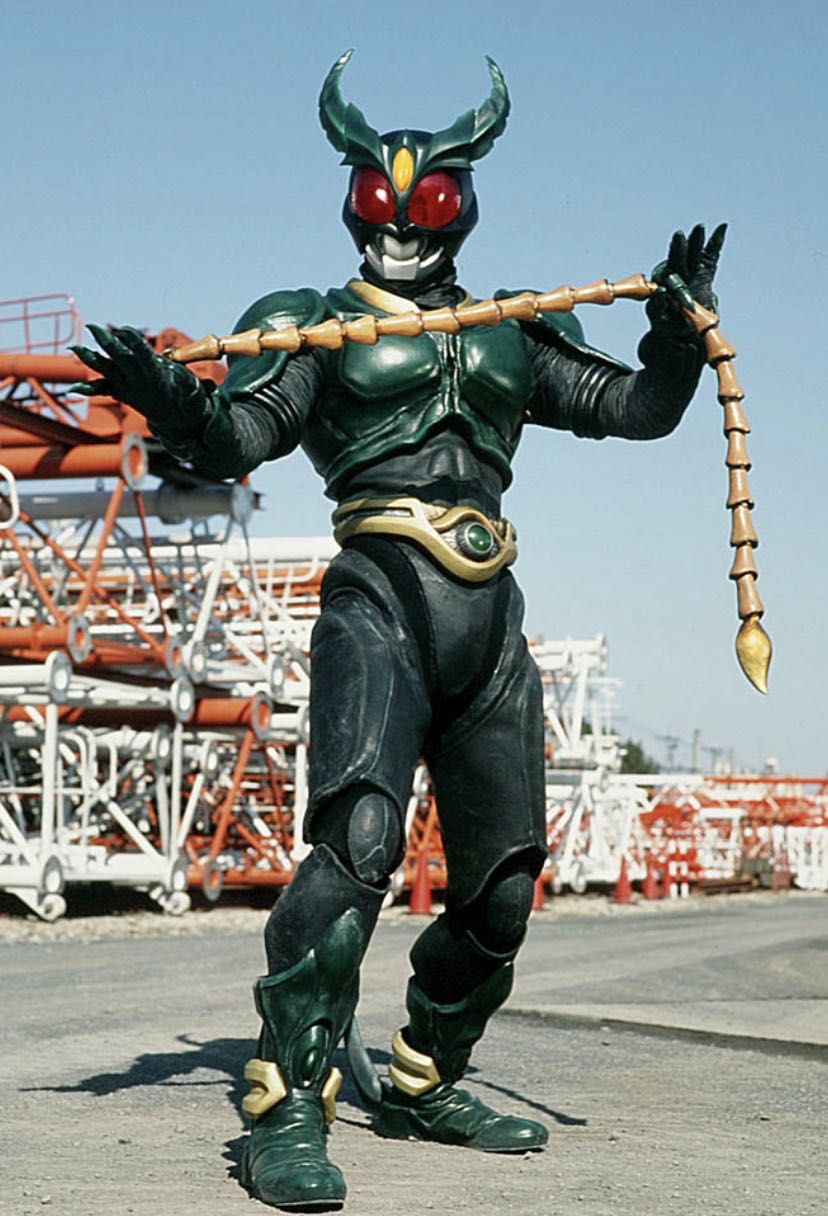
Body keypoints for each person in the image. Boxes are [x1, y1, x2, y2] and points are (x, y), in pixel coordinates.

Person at [72, 51, 725, 1213]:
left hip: (490, 614)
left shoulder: (512, 328)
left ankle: (423, 1076)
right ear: (353, 203)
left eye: (426, 200)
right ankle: (285, 1102)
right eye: (380, 197)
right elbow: (238, 436)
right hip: (378, 598)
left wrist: (674, 337)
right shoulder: (313, 327)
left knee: (504, 886)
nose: (402, 224)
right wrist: (169, 397)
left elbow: (633, 409)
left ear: (461, 206)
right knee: (359, 843)